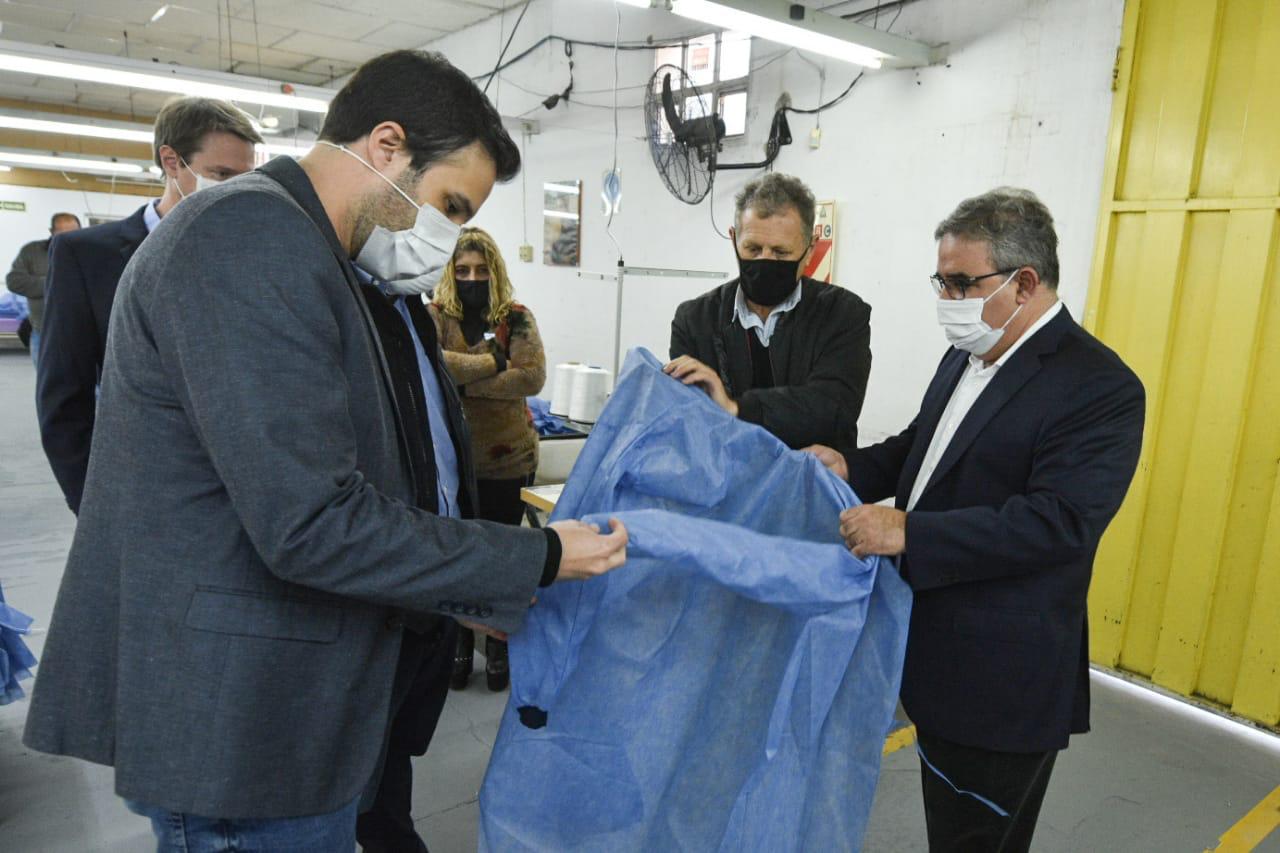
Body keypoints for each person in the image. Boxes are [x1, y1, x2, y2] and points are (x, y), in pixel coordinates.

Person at [22, 49, 629, 853]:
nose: (447, 238)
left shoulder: (320, 256)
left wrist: (460, 588)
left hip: (297, 704)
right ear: (386, 146)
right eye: (449, 205)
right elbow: (311, 520)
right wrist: (539, 555)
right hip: (244, 723)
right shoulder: (245, 236)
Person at [807, 188, 1145, 853]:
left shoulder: (1099, 387)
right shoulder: (969, 353)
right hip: (934, 655)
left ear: (1025, 283)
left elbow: (1058, 522)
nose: (949, 299)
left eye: (963, 283)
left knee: (977, 839)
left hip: (1002, 679)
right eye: (942, 281)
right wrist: (849, 467)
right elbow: (923, 447)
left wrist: (908, 531)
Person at [37, 97, 261, 515]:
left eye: (246, 177)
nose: (236, 190)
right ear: (171, 161)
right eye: (221, 175)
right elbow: (65, 396)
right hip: (140, 489)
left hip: (240, 492)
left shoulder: (252, 253)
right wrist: (95, 505)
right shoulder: (86, 257)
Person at [666, 172, 871, 449]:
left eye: (780, 252)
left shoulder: (843, 315)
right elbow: (691, 419)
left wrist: (736, 409)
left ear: (810, 248)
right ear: (733, 239)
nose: (765, 260)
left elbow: (832, 407)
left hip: (810, 475)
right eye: (753, 248)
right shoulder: (694, 321)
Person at [430, 226, 547, 693]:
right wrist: (496, 364)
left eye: (481, 269)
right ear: (450, 273)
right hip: (452, 462)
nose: (472, 278)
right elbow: (432, 364)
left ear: (494, 270)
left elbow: (532, 377)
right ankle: (459, 642)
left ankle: (498, 646)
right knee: (458, 556)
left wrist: (464, 383)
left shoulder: (515, 318)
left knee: (499, 557)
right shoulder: (434, 316)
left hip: (508, 459)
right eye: (462, 270)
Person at [5, 212, 81, 368]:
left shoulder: (89, 251)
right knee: (47, 380)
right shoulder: (31, 252)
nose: (70, 239)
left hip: (81, 333)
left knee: (88, 380)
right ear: (52, 232)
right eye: (62, 234)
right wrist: (53, 283)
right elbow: (14, 281)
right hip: (43, 333)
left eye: (74, 233)